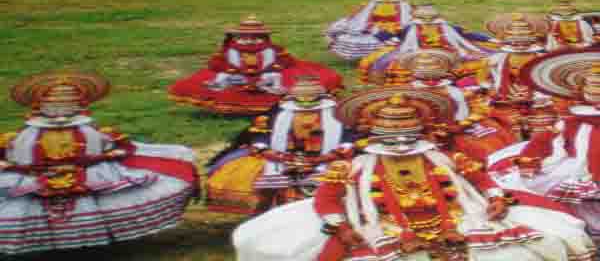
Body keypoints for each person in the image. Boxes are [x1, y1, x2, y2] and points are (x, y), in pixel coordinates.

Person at [234, 94, 594, 261]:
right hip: (386, 226)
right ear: (375, 135)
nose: (402, 145)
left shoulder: (443, 157)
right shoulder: (355, 165)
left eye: (409, 136)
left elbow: (480, 180)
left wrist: (497, 198)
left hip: (458, 218)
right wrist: (339, 225)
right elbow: (327, 197)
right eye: (392, 138)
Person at [0, 72, 199, 255]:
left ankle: (90, 245)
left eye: (67, 105)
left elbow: (113, 147)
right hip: (38, 176)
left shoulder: (91, 131)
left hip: (91, 172)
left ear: (79, 104)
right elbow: (18, 156)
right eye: (53, 106)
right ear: (39, 106)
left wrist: (105, 154)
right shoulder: (25, 136)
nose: (60, 112)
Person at [489, 50, 600, 238]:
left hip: (586, 171)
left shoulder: (571, 121)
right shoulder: (572, 121)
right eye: (593, 87)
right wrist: (529, 159)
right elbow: (544, 140)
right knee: (577, 201)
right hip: (577, 169)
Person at [206, 76, 353, 214]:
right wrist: (278, 156)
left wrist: (321, 159)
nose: (306, 112)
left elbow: (348, 140)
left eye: (313, 109)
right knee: (266, 185)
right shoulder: (277, 113)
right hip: (280, 159)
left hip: (327, 160)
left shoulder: (338, 115)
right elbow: (260, 137)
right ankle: (263, 214)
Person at [169, 15, 343, 115]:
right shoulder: (229, 51)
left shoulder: (273, 50)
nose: (250, 40)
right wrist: (229, 69)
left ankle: (274, 89)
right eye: (245, 37)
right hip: (237, 76)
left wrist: (272, 69)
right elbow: (215, 65)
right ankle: (219, 87)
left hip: (266, 75)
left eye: (255, 37)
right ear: (237, 37)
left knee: (274, 77)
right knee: (223, 77)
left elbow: (286, 62)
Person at [326, 0, 413, 61]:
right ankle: (369, 57)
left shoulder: (401, 3)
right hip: (374, 27)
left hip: (395, 26)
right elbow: (363, 16)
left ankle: (390, 55)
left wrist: (401, 27)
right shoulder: (371, 3)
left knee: (398, 37)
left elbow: (407, 17)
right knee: (362, 36)